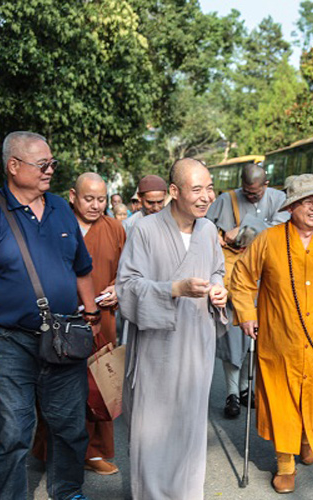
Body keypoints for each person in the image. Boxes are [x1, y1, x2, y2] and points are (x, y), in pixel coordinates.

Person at [0, 131, 98, 500]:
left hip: (63, 337)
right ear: (14, 166)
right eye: (42, 164)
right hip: (7, 341)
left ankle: (67, 491)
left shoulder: (62, 209)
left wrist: (92, 314)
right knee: (11, 433)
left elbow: (82, 267)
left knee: (69, 426)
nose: (51, 170)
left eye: (53, 163)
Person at [230, 174, 313, 494]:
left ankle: (306, 436)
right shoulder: (269, 240)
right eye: (307, 201)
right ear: (291, 207)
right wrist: (246, 315)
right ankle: (285, 462)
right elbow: (243, 278)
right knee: (281, 402)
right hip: (278, 339)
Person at [116, 158, 228, 499]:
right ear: (175, 192)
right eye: (197, 189)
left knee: (191, 424)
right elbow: (127, 286)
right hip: (158, 346)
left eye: (209, 188)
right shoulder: (146, 230)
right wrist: (173, 289)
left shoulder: (208, 230)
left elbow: (218, 270)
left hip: (197, 341)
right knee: (153, 426)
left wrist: (218, 289)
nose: (206, 196)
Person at [31, 172, 126, 475]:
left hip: (102, 319)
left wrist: (117, 289)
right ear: (73, 195)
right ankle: (50, 449)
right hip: (59, 320)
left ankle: (96, 452)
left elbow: (129, 271)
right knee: (54, 385)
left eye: (101, 199)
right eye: (89, 198)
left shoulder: (115, 229)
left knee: (101, 384)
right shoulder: (53, 223)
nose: (96, 205)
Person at [206, 163, 289, 418]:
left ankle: (245, 389)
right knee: (233, 337)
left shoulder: (280, 199)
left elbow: (276, 231)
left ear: (266, 184)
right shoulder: (226, 199)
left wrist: (241, 231)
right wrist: (221, 235)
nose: (251, 197)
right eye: (247, 192)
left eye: (256, 193)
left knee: (257, 336)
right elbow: (204, 228)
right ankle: (232, 393)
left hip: (266, 282)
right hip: (235, 280)